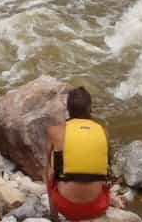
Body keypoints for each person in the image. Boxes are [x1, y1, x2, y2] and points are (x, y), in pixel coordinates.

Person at [45, 87, 110, 222]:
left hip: (65, 205)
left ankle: (54, 217)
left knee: (49, 169)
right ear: (90, 108)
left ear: (68, 109)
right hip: (98, 206)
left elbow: (50, 172)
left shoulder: (55, 131)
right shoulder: (103, 131)